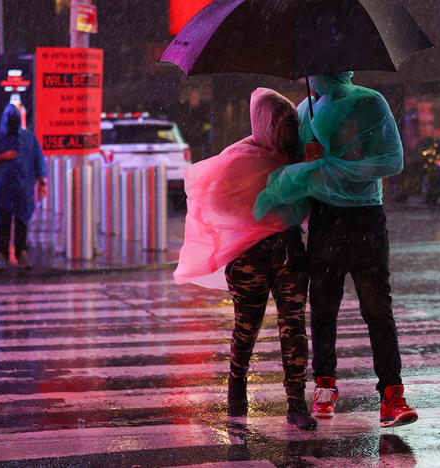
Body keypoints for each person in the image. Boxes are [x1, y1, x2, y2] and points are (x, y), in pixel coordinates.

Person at [253, 72, 418, 428]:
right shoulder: (306, 112)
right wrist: (311, 163)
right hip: (326, 221)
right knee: (323, 308)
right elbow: (295, 172)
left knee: (377, 308)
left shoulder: (369, 103)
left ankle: (392, 394)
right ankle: (325, 386)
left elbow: (392, 160)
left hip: (365, 219)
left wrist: (341, 165)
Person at [173, 88, 316, 430]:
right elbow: (216, 204)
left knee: (293, 325)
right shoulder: (239, 159)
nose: (289, 133)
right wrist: (255, 208)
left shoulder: (301, 155)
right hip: (248, 261)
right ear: (265, 125)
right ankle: (236, 383)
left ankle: (296, 403)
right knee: (246, 328)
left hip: (289, 254)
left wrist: (309, 169)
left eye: (292, 124)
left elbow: (310, 203)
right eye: (282, 125)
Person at [0, 104, 47, 270]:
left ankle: (21, 253)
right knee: (4, 222)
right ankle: (2, 255)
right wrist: (3, 156)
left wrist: (41, 183)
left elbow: (38, 160)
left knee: (22, 222)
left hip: (23, 189)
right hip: (3, 190)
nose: (13, 123)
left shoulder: (28, 138)